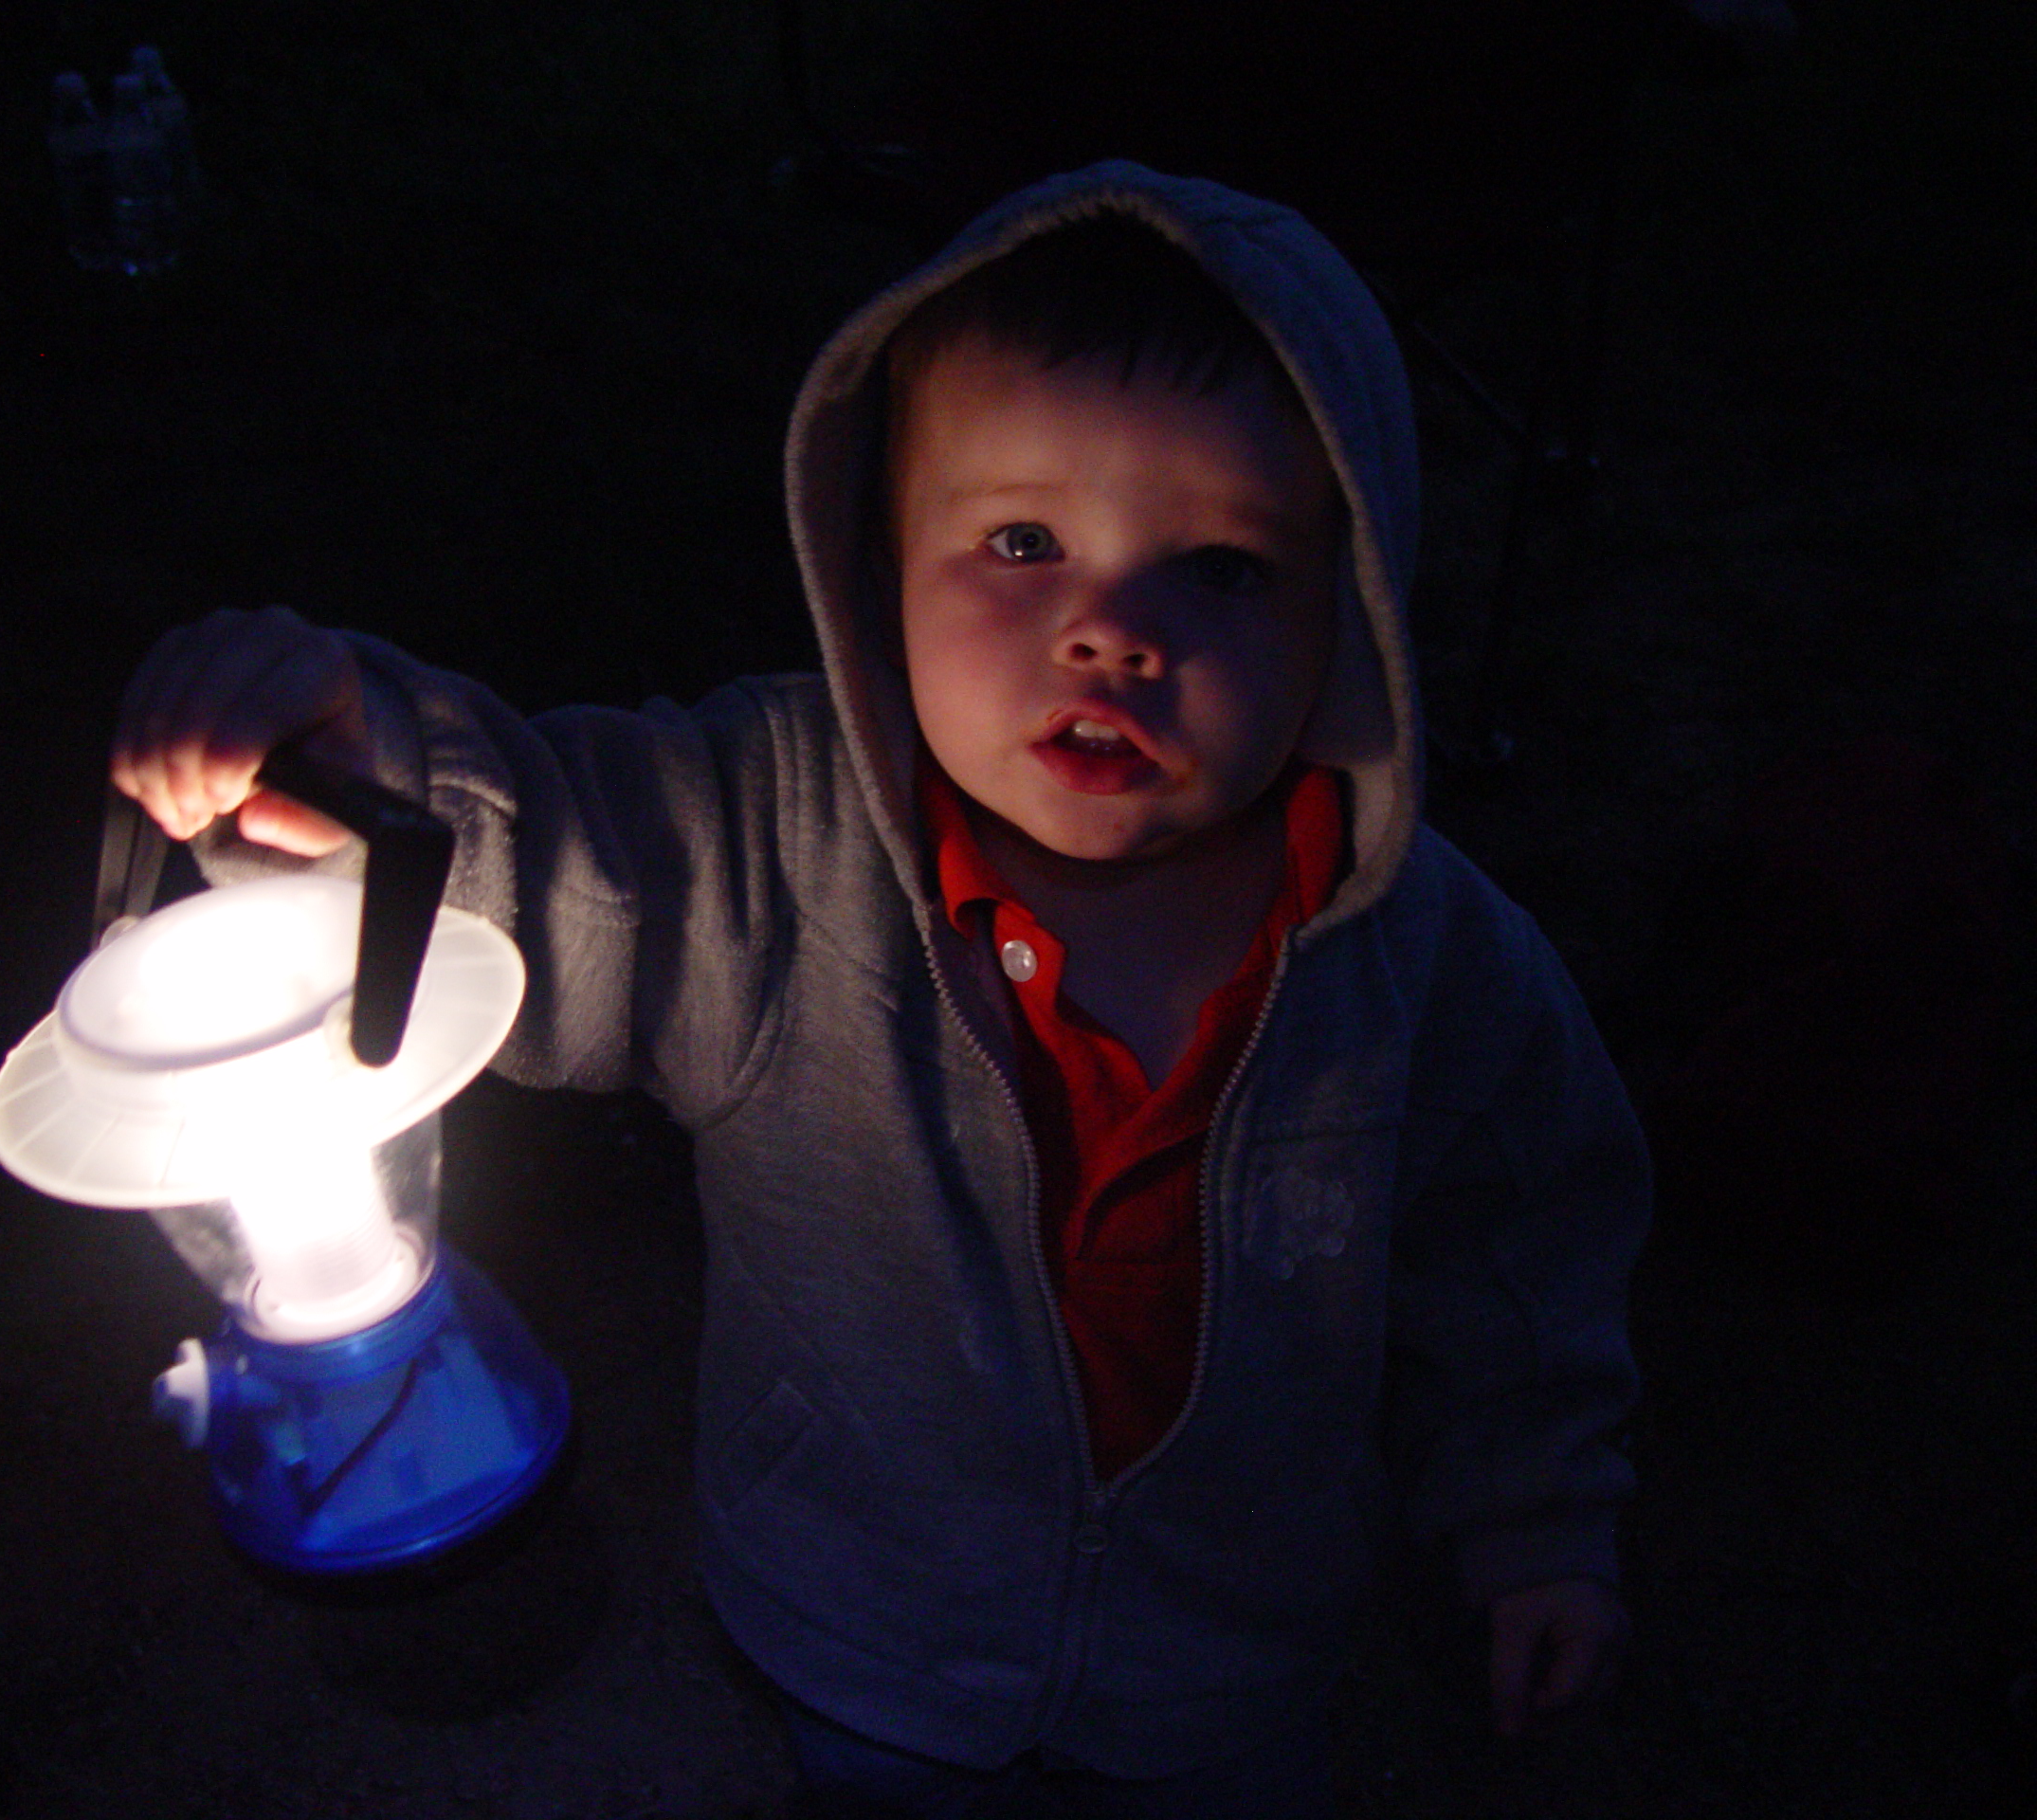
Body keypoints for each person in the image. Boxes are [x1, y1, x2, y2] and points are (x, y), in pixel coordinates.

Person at [113, 163, 1646, 1816]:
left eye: (1218, 568)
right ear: (878, 562)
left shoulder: (1428, 958)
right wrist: (356, 777)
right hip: (868, 1635)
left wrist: (1537, 1516)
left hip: (1231, 1659)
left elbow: (1516, 1246)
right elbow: (545, 869)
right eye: (1023, 541)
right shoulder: (769, 845)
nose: (1108, 634)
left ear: (1351, 615)